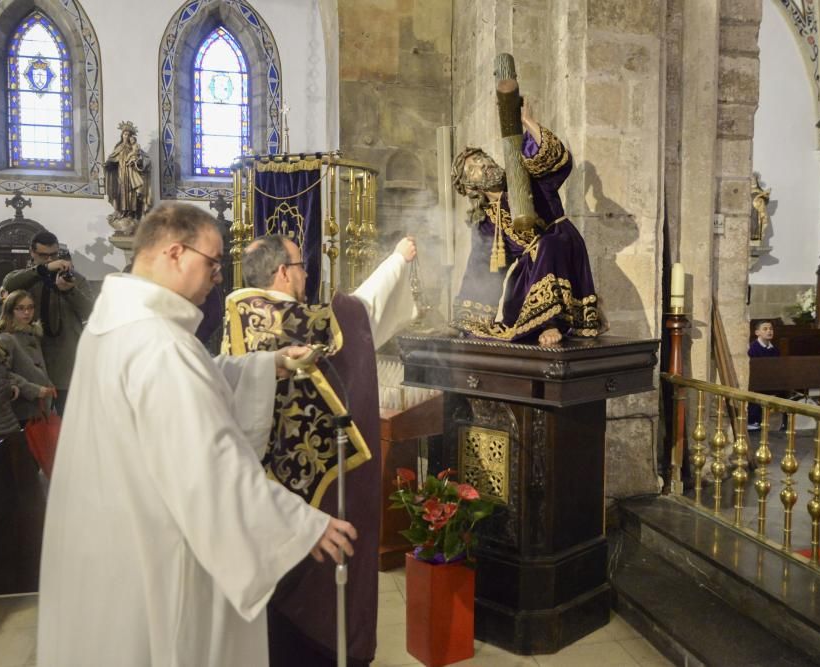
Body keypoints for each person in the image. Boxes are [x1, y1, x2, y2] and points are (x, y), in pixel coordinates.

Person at [37, 203, 358, 667]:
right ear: (174, 252)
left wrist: (268, 364)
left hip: (109, 541)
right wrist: (301, 524)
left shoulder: (119, 326)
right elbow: (208, 467)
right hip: (154, 553)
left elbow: (199, 379)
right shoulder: (160, 345)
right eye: (211, 262)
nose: (217, 278)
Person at [224, 233, 417, 667]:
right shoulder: (286, 316)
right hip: (310, 493)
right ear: (281, 272)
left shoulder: (237, 313)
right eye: (301, 264)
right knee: (311, 604)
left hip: (261, 487)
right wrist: (397, 261)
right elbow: (358, 314)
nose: (306, 273)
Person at [450, 103, 604, 346]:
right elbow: (481, 271)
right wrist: (467, 322)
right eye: (473, 167)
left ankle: (552, 323)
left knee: (548, 244)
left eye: (482, 158)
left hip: (562, 246)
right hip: (533, 269)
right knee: (513, 297)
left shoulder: (522, 178)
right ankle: (530, 324)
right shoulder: (487, 222)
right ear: (470, 187)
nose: (482, 164)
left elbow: (558, 164)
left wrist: (528, 122)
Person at [2, 230, 92, 415]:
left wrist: (69, 291)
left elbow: (90, 311)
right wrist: (43, 270)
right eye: (43, 255)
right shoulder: (26, 278)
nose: (50, 259)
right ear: (32, 253)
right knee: (34, 428)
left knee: (67, 421)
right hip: (28, 362)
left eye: (53, 255)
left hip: (64, 362)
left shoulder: (76, 279)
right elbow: (9, 284)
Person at [0, 290, 56, 424]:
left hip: (39, 407)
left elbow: (37, 367)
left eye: (30, 307)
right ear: (10, 311)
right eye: (20, 308)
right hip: (22, 409)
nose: (27, 312)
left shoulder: (31, 333)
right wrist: (33, 390)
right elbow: (3, 373)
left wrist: (48, 384)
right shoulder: (6, 338)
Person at [104, 121, 152, 233]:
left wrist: (138, 162)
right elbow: (113, 159)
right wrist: (108, 164)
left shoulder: (135, 148)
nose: (126, 136)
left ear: (131, 136)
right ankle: (122, 213)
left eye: (128, 134)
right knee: (121, 194)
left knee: (132, 194)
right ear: (122, 136)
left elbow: (145, 160)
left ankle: (132, 214)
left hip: (131, 175)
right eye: (124, 134)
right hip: (121, 175)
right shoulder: (119, 147)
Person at [747, 319, 779, 430]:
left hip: (770, 380)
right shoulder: (752, 348)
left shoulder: (774, 349)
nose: (769, 331)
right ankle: (753, 420)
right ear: (757, 333)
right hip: (756, 382)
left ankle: (772, 420)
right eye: (765, 329)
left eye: (771, 329)